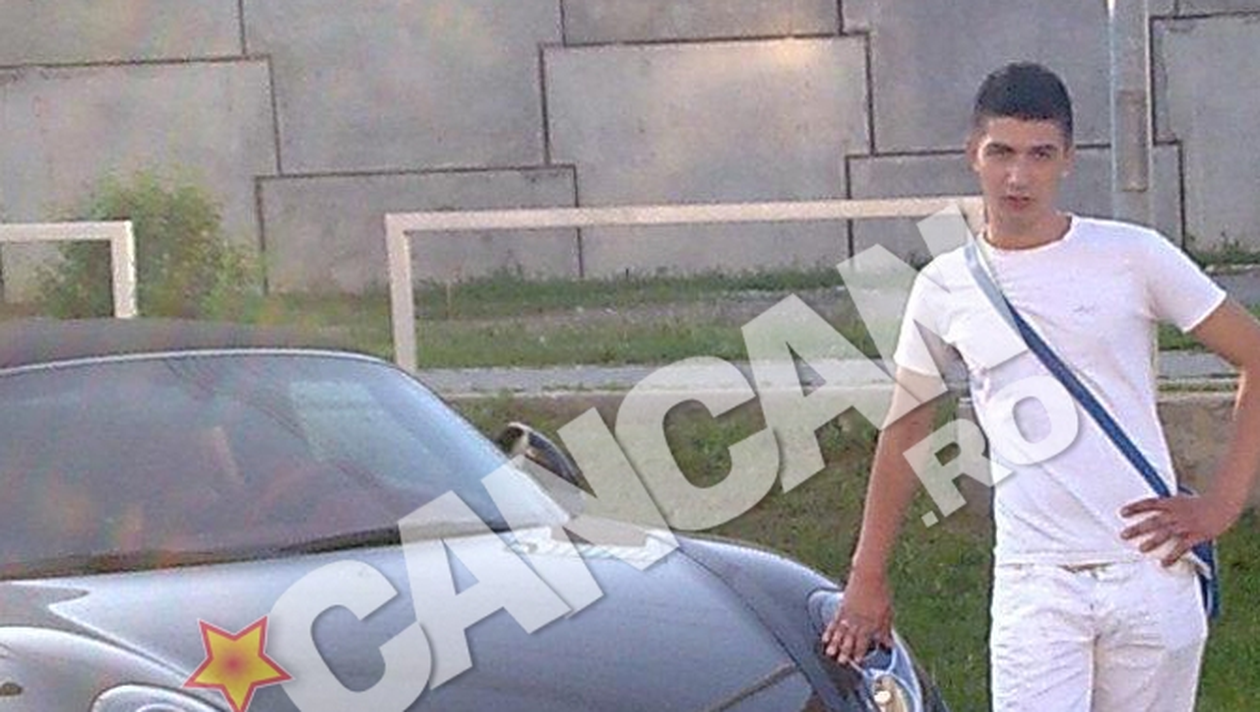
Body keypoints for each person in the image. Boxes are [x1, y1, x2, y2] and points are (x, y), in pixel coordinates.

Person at [821, 62, 1260, 711]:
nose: (1018, 176)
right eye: (1001, 152)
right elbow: (907, 426)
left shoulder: (1133, 255)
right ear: (973, 154)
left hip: (1149, 569)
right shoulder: (945, 286)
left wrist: (1223, 505)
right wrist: (867, 576)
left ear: (1068, 160)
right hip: (1035, 580)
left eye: (1040, 154)